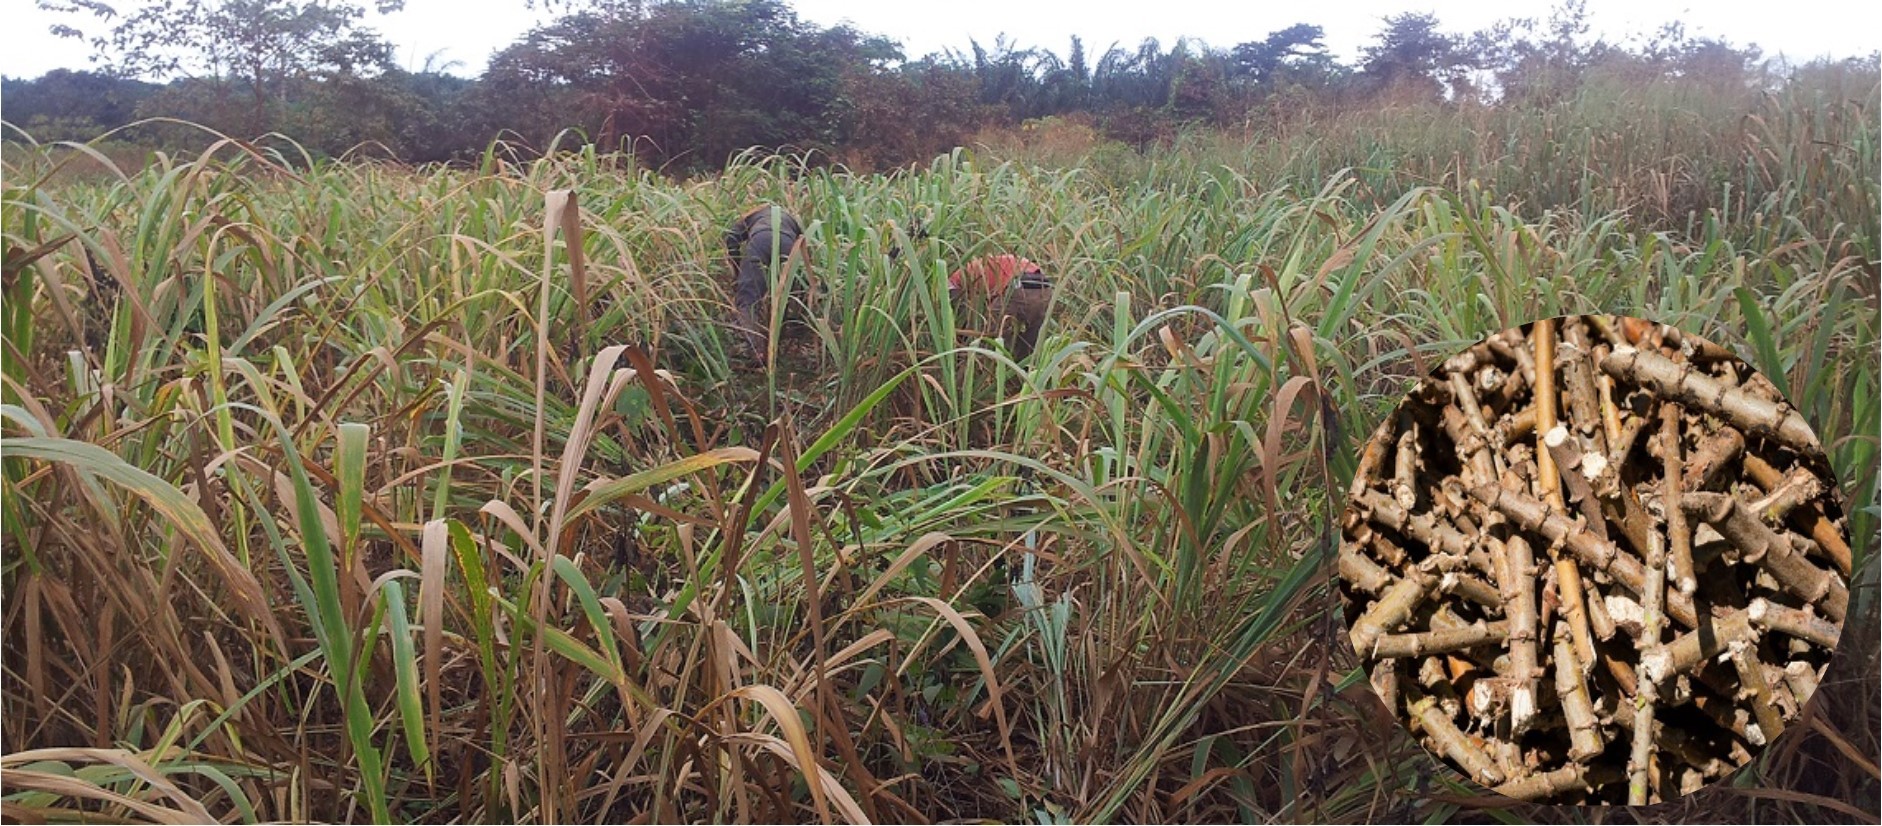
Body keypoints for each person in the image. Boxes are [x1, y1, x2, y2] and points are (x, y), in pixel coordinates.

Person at [724, 204, 804, 357]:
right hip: (788, 244)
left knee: (748, 300)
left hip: (760, 240)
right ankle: (785, 341)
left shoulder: (750, 216)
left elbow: (731, 237)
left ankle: (755, 349)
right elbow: (804, 246)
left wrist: (737, 270)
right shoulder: (791, 218)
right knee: (789, 296)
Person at [948, 253, 1054, 360]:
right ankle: (1026, 367)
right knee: (1031, 339)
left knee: (991, 334)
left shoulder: (959, 279)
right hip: (1044, 287)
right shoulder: (980, 265)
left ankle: (983, 364)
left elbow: (964, 307)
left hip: (1018, 286)